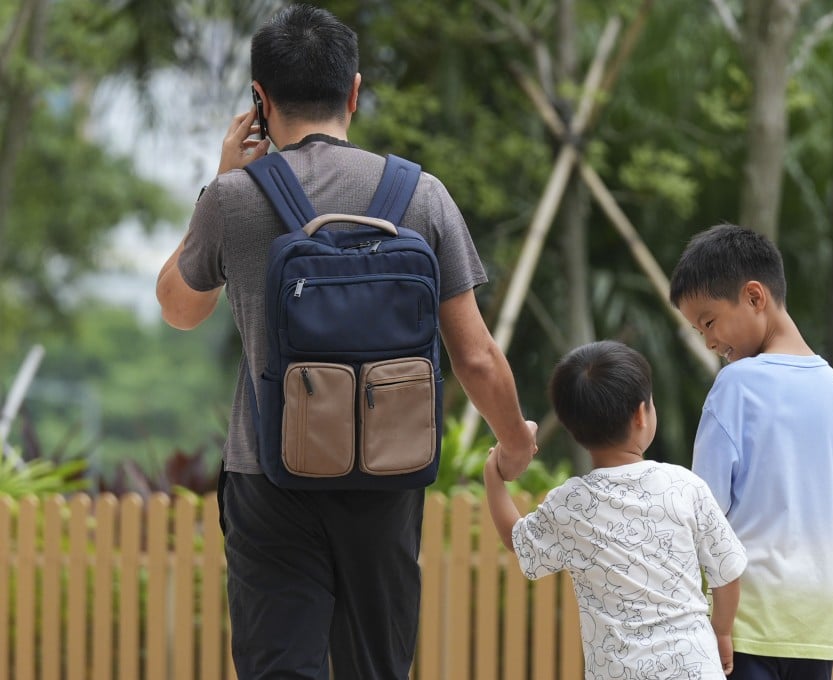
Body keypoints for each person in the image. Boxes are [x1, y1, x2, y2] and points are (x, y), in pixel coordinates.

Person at [155, 5, 538, 679]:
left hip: (269, 474)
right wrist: (513, 441)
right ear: (354, 92)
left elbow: (179, 309)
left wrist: (217, 180)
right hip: (386, 474)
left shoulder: (234, 199)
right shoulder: (422, 195)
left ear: (259, 100)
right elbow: (474, 356)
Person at [668, 223, 833, 680]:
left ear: (753, 296)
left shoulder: (735, 386)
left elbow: (701, 513)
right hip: (819, 623)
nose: (707, 341)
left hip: (744, 622)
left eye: (708, 322)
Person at [484, 340, 747, 679]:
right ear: (641, 414)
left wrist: (494, 474)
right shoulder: (684, 486)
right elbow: (727, 571)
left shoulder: (572, 504)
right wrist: (722, 631)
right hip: (693, 667)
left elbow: (516, 538)